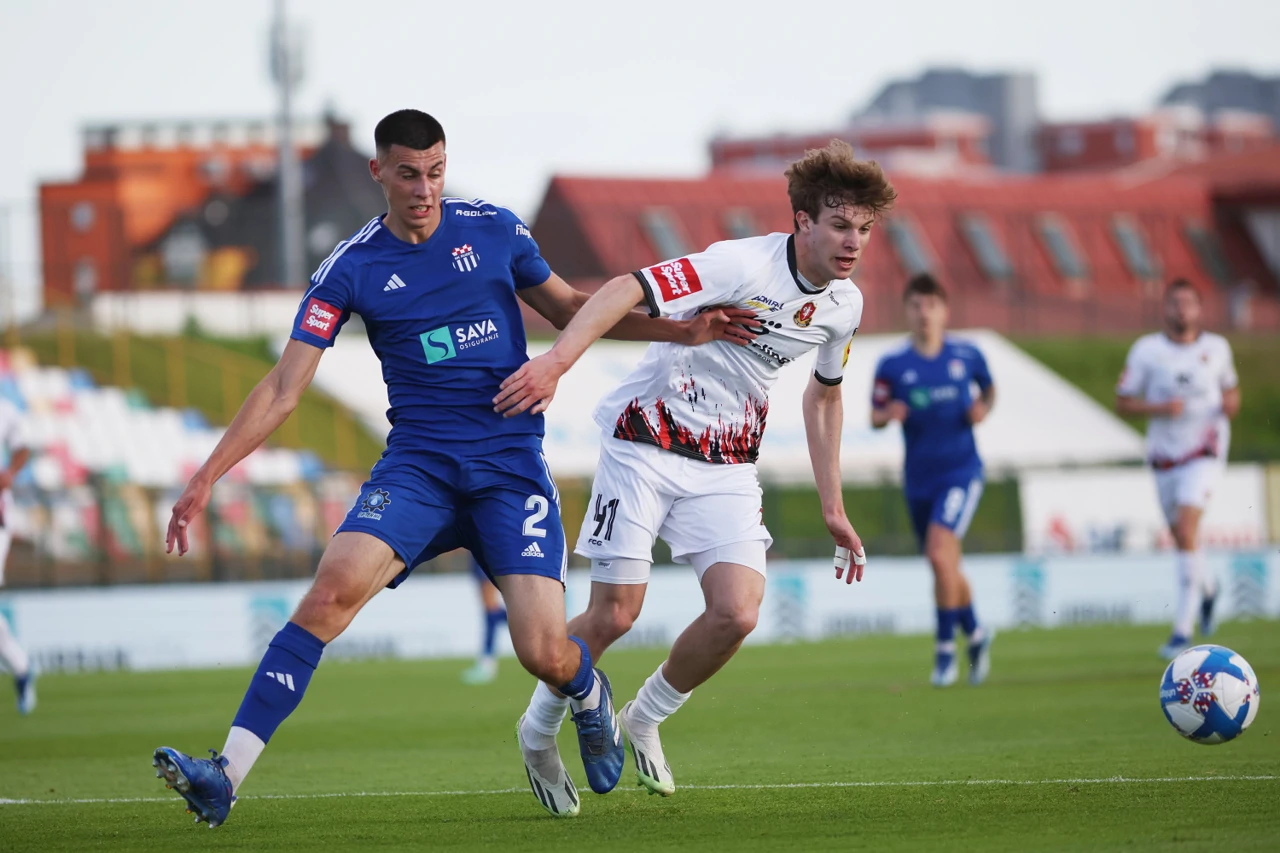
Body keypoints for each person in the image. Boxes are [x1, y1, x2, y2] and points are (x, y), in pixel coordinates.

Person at [150, 109, 755, 826]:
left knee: (543, 653)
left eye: (436, 171)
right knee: (328, 597)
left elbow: (568, 307)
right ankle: (224, 774)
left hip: (508, 471)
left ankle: (587, 691)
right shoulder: (352, 266)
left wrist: (678, 327)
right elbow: (285, 388)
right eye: (408, 173)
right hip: (419, 471)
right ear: (378, 172)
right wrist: (207, 474)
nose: (425, 189)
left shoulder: (493, 228)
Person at [494, 140, 890, 803]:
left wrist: (833, 505)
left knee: (737, 612)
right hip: (645, 440)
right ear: (802, 222)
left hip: (728, 462)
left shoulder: (843, 306)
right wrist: (558, 362)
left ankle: (642, 717)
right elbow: (626, 289)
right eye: (840, 224)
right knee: (616, 614)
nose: (853, 242)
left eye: (864, 230)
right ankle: (538, 731)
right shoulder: (739, 263)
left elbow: (825, 394)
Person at [870, 274, 995, 688]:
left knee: (941, 556)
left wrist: (982, 408)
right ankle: (976, 633)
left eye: (931, 305)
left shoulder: (967, 354)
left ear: (944, 310)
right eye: (916, 305)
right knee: (944, 564)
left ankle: (945, 653)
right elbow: (875, 415)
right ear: (907, 311)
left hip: (961, 472)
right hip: (918, 479)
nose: (924, 313)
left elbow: (989, 391)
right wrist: (890, 415)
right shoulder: (893, 365)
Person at [1115, 279, 1240, 659]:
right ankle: (1207, 588)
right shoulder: (1147, 351)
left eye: (1188, 303)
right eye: (1175, 303)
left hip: (1204, 450)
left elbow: (1231, 390)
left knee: (1187, 530)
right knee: (1181, 536)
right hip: (1165, 455)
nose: (1181, 310)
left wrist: (1231, 406)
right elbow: (1124, 402)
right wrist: (1159, 409)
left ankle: (1181, 631)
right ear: (1165, 309)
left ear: (1200, 309)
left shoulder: (1216, 348)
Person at [0, 397, 34, 714]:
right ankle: (21, 666)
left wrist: (9, 472)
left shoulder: (5, 409)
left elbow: (23, 445)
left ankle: (21, 667)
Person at [461, 554, 507, 685]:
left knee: (491, 609)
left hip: (487, 549)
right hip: (477, 550)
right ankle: (487, 661)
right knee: (490, 610)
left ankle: (487, 663)